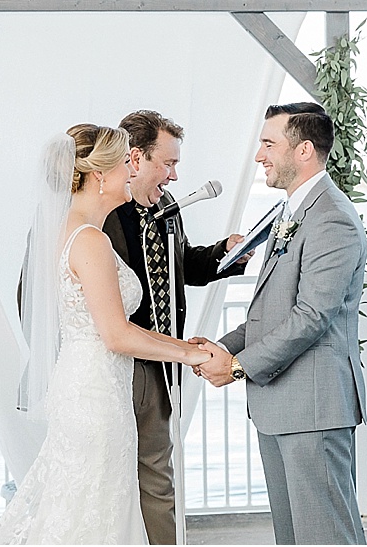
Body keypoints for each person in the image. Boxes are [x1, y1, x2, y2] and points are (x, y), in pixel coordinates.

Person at [0, 124, 212, 545]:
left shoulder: (71, 230)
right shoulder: (89, 239)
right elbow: (116, 335)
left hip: (93, 384)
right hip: (96, 396)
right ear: (100, 175)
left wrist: (185, 346)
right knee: (94, 512)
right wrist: (192, 355)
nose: (132, 170)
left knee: (89, 508)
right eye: (125, 162)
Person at [195, 103, 367, 545]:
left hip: (313, 407)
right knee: (292, 538)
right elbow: (270, 312)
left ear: (304, 150)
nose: (259, 156)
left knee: (327, 536)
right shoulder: (289, 213)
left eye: (269, 144)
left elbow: (310, 317)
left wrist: (236, 366)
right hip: (281, 406)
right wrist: (215, 347)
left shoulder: (332, 217)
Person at [103, 110, 249, 544]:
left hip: (162, 360)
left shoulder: (167, 207)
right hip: (120, 357)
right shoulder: (107, 213)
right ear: (135, 159)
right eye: (167, 163)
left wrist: (224, 255)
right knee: (126, 472)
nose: (174, 175)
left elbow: (179, 265)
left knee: (155, 471)